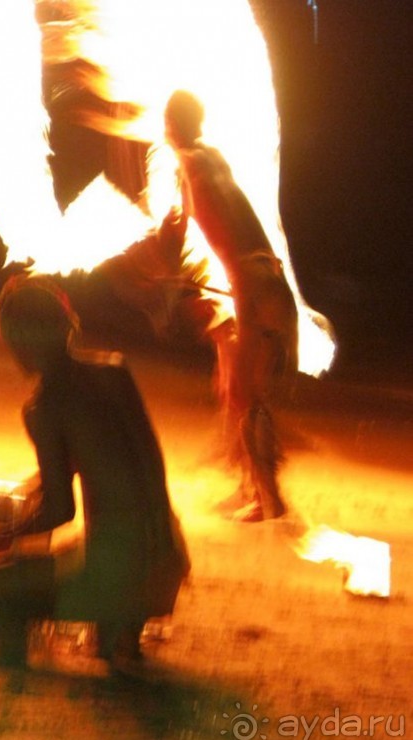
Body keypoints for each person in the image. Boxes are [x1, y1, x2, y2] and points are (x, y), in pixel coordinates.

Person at [0, 274, 189, 669]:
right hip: (168, 555)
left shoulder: (43, 409)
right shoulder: (115, 373)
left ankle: (20, 667)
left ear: (18, 343)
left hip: (116, 568)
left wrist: (3, 533)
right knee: (90, 553)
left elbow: (60, 510)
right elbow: (117, 459)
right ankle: (119, 629)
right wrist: (31, 490)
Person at [163, 89, 299, 522]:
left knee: (244, 393)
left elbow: (221, 250)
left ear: (171, 127)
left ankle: (268, 497)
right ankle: (251, 487)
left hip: (252, 282)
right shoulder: (212, 158)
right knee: (232, 387)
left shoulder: (193, 172)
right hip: (268, 277)